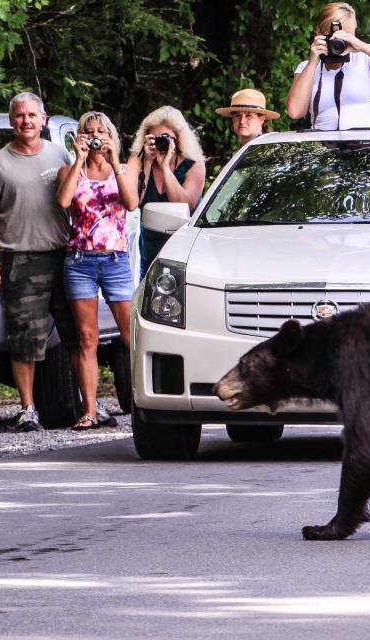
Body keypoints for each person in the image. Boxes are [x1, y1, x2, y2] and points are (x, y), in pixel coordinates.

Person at [0, 92, 79, 432]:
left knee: (76, 334)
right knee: (24, 338)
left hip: (65, 256)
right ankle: (28, 409)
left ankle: (88, 407)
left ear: (44, 119)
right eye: (20, 115)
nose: (26, 121)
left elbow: (81, 194)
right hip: (21, 259)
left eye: (32, 115)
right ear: (12, 121)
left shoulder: (59, 153)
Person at [55, 111, 139, 430]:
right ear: (78, 136)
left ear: (110, 135)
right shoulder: (69, 170)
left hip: (115, 259)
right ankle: (89, 410)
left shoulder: (124, 170)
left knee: (130, 334)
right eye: (88, 131)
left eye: (100, 131)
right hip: (80, 261)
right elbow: (63, 201)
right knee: (87, 338)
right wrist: (78, 161)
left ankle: (143, 401)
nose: (94, 136)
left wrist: (113, 159)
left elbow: (131, 204)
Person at [285, 2, 370, 131]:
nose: (339, 42)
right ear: (318, 32)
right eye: (334, 37)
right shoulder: (307, 68)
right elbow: (295, 112)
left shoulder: (365, 58)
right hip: (326, 147)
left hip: (369, 147)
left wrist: (362, 47)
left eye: (346, 36)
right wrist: (313, 62)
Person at [126, 106, 206, 277]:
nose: (161, 143)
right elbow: (133, 202)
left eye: (166, 138)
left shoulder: (194, 164)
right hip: (149, 252)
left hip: (185, 253)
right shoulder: (139, 160)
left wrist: (165, 167)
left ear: (179, 139)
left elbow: (186, 205)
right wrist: (147, 164)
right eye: (155, 138)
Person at [216, 88, 280, 147]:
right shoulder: (245, 149)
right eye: (237, 116)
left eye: (248, 116)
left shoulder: (266, 149)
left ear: (261, 119)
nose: (242, 121)